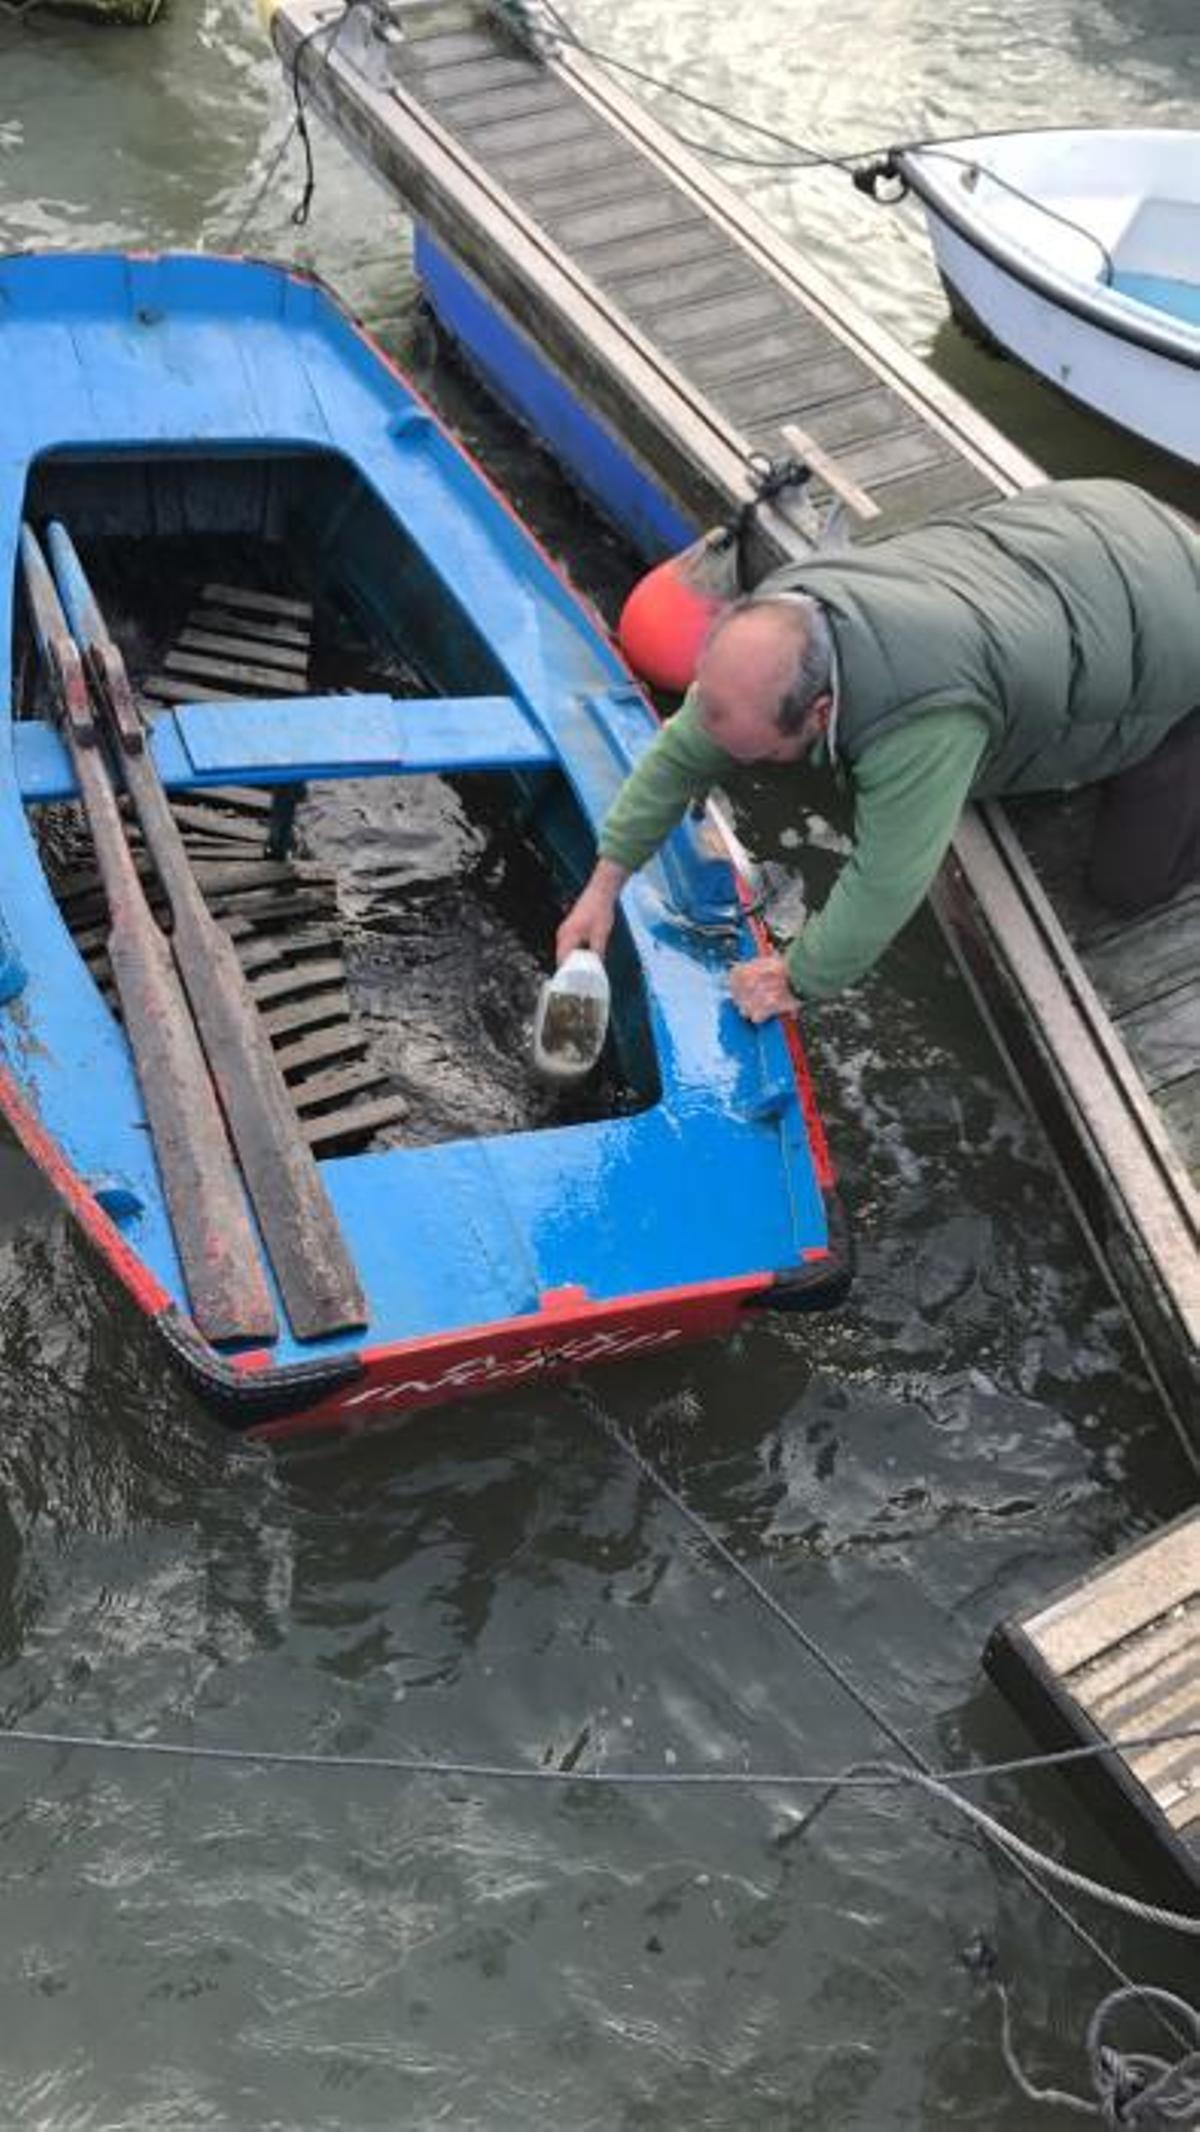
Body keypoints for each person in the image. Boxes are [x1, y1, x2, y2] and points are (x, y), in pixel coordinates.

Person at [556, 478, 1200, 1024]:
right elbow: (685, 751)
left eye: (756, 754)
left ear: (821, 712)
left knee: (1126, 885)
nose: (719, 749)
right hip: (1097, 521)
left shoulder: (920, 722)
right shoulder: (781, 627)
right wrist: (603, 884)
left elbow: (887, 880)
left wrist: (795, 977)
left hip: (1176, 606)